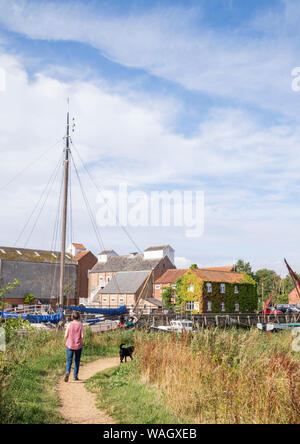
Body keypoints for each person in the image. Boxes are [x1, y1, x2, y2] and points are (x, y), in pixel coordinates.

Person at [64, 310, 84, 382]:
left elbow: (66, 335)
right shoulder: (81, 325)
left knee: (69, 360)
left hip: (69, 345)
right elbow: (82, 336)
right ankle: (75, 376)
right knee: (77, 361)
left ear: (72, 317)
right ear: (79, 317)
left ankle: (67, 372)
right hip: (78, 345)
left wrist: (68, 339)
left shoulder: (69, 324)